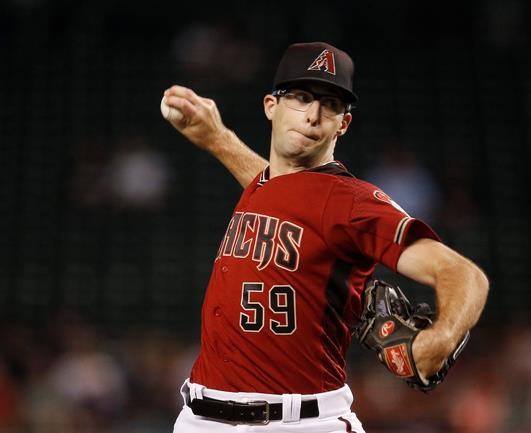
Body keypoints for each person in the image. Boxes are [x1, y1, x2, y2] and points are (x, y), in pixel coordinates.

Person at [162, 41, 489, 433]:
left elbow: (464, 274)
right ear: (271, 106)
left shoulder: (352, 202)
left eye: (331, 104)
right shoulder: (270, 187)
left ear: (343, 124)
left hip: (302, 422)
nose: (313, 115)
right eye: (301, 97)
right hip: (201, 419)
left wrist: (441, 337)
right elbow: (283, 191)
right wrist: (217, 138)